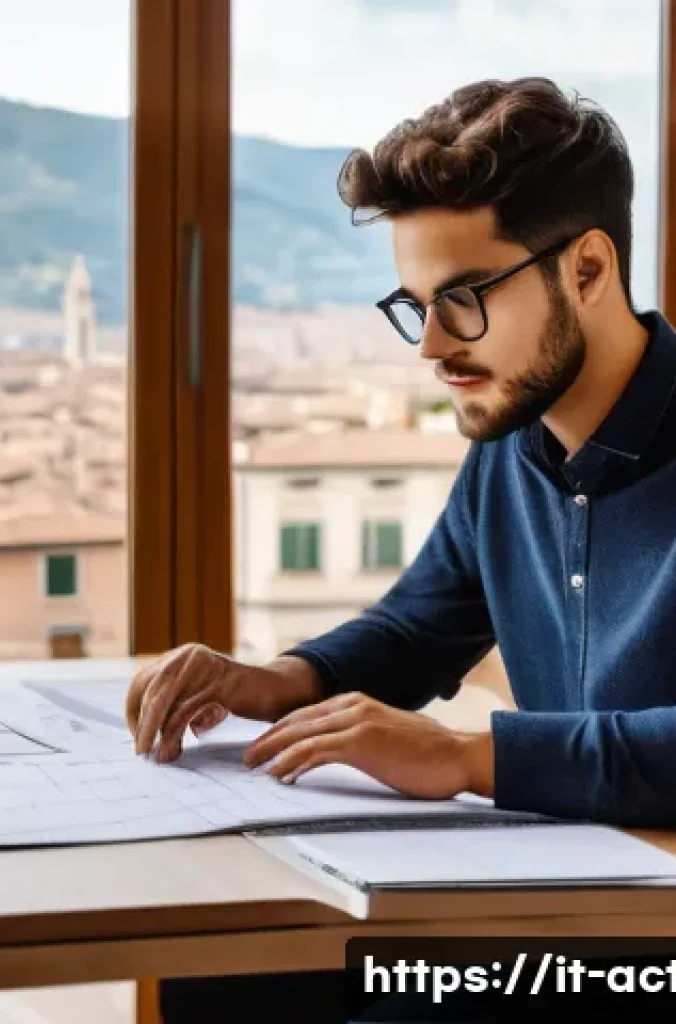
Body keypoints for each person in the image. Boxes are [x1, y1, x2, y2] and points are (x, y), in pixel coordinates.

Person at [126, 76, 676, 1021]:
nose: (430, 346)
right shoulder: (512, 443)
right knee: (220, 977)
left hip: (646, 947)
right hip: (564, 899)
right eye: (415, 305)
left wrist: (467, 759)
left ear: (588, 270)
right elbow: (421, 626)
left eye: (462, 300)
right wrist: (277, 680)